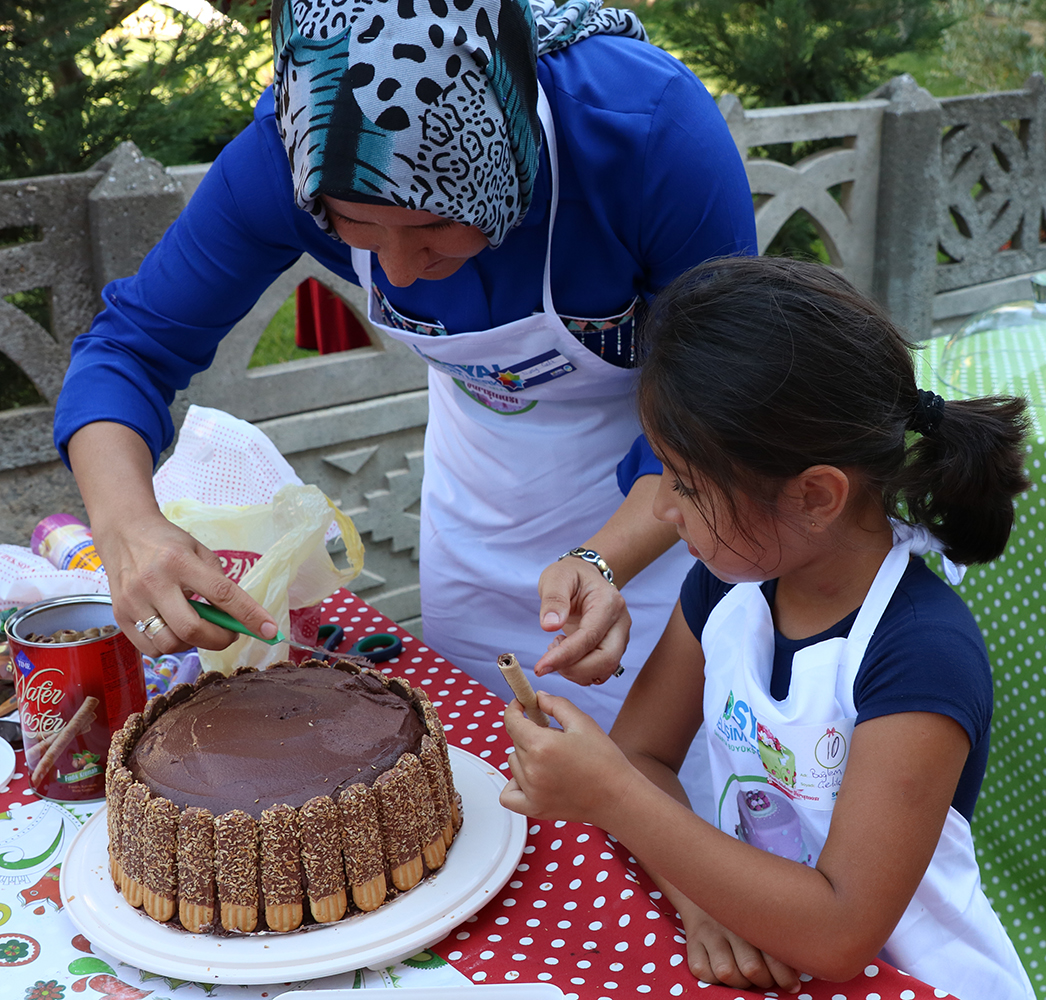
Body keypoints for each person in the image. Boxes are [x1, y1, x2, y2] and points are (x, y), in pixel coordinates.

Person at [54, 0, 755, 745]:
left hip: (678, 500)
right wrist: (130, 525)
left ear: (509, 154)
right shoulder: (294, 147)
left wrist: (605, 559)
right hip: (478, 503)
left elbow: (726, 402)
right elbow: (127, 348)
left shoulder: (646, 131)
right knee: (479, 757)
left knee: (663, 782)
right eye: (354, 226)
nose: (398, 271)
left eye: (434, 225)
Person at [499, 257, 1037, 999]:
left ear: (816, 495)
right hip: (768, 960)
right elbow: (643, 754)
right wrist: (701, 904)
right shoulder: (728, 586)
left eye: (686, 483)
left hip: (912, 979)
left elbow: (842, 931)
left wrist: (612, 799)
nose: (663, 511)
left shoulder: (919, 655)